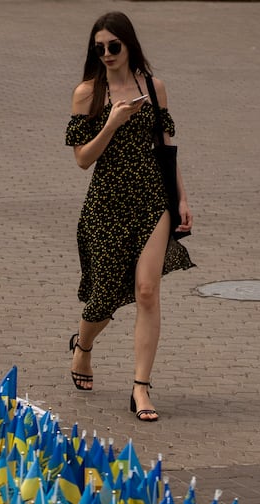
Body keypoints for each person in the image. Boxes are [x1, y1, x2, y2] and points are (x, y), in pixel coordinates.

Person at [64, 12, 194, 422]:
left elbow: (166, 149)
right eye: (98, 47)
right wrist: (113, 122)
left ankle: (140, 387)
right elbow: (83, 159)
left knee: (147, 291)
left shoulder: (154, 89)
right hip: (105, 207)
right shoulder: (88, 93)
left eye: (113, 46)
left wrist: (182, 199)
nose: (105, 54)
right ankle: (82, 348)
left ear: (129, 45)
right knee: (102, 298)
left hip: (152, 202)